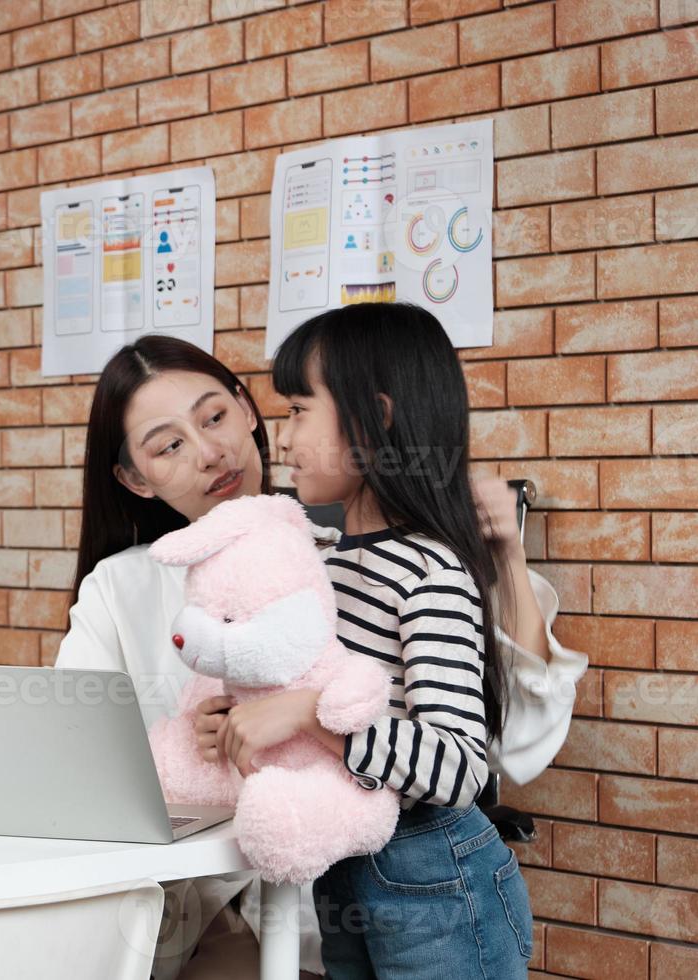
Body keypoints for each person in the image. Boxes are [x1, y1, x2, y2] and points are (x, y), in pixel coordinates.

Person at [55, 323, 586, 977]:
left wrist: (502, 555)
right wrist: (218, 731)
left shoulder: (370, 553)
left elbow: (497, 744)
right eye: (168, 446)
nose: (209, 453)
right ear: (135, 478)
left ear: (248, 408)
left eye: (216, 416)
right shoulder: (125, 584)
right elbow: (83, 764)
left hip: (368, 883)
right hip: (242, 900)